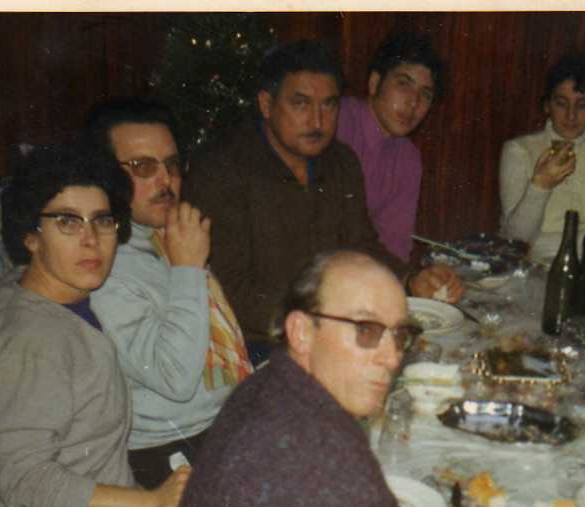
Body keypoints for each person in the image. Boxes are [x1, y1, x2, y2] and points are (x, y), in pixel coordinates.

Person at [164, 250, 508, 507]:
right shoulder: (325, 460)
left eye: (400, 335)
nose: (392, 357)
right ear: (301, 332)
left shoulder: (266, 388)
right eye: (366, 330)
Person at [0, 144, 190, 507]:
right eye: (67, 221)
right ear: (30, 236)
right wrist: (153, 504)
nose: (90, 240)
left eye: (102, 220)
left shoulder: (52, 294)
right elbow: (26, 481)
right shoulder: (25, 340)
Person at [186, 39, 461, 358]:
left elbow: (361, 245)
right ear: (266, 104)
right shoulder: (222, 169)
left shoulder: (341, 161)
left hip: (326, 332)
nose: (317, 122)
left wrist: (409, 279)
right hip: (255, 346)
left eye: (329, 105)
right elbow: (229, 287)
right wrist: (320, 323)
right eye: (300, 104)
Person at [84, 99, 252, 490]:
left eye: (172, 165)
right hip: (167, 453)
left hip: (221, 423)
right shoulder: (103, 265)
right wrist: (189, 268)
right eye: (143, 167)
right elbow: (175, 379)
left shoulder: (164, 233)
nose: (166, 180)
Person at [499, 52, 585, 261]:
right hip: (524, 267)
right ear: (547, 106)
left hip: (581, 266)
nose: (571, 115)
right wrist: (540, 185)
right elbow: (515, 240)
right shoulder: (518, 151)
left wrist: (539, 243)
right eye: (561, 103)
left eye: (582, 105)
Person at [336, 31, 443, 263]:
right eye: (404, 84)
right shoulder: (337, 121)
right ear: (374, 83)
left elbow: (395, 244)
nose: (413, 102)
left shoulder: (408, 158)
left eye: (425, 94)